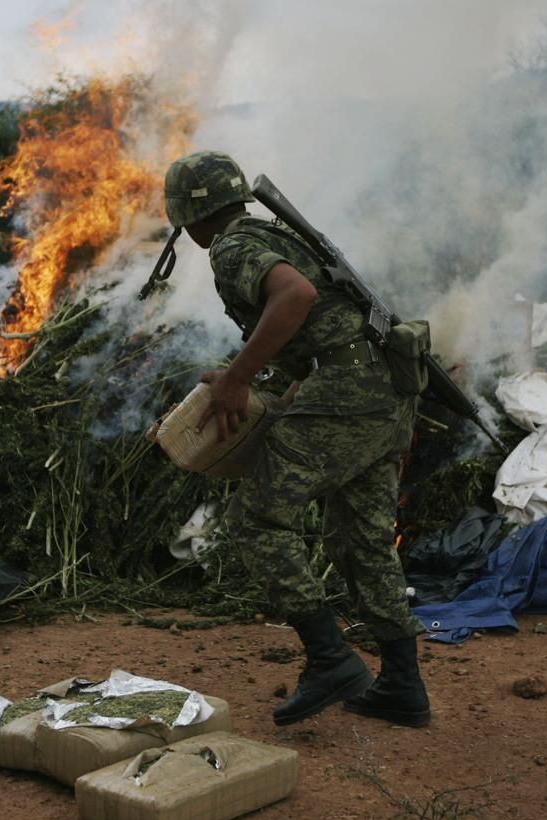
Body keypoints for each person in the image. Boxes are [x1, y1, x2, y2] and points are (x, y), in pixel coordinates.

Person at [162, 150, 430, 727]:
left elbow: (297, 298)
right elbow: (316, 324)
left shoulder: (233, 247)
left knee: (256, 520)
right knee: (360, 540)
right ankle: (403, 685)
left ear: (190, 216)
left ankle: (330, 658)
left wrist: (236, 378)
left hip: (347, 393)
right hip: (384, 391)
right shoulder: (275, 232)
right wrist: (273, 389)